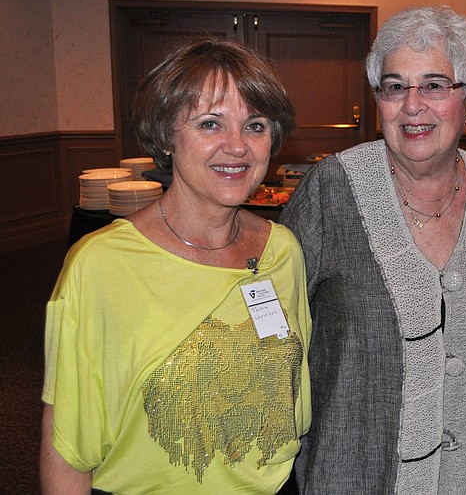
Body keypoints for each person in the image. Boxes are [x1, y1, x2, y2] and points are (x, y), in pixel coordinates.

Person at [40, 39, 311, 494]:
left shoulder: (282, 251)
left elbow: (292, 407)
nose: (237, 147)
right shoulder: (103, 265)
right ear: (167, 135)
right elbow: (67, 444)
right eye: (210, 124)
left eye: (255, 126)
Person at [279, 5, 466, 494]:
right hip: (349, 476)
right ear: (378, 100)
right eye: (394, 86)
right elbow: (274, 338)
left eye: (434, 85)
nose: (413, 105)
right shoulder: (331, 191)